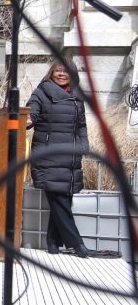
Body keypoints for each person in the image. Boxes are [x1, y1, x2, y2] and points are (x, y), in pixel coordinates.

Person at [26, 58, 92, 258]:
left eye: (65, 71)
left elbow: (81, 125)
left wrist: (83, 146)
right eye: (57, 70)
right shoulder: (41, 92)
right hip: (49, 155)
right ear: (51, 72)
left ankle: (52, 243)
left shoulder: (76, 96)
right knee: (60, 200)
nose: (61, 74)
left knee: (63, 198)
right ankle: (77, 244)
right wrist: (28, 120)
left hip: (70, 156)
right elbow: (31, 113)